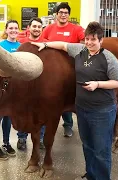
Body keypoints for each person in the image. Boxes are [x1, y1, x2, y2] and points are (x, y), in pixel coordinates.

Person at [32, 21, 118, 180]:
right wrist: (45, 44)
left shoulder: (108, 58)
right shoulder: (80, 50)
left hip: (102, 111)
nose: (89, 42)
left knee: (101, 150)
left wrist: (98, 84)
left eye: (93, 40)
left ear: (101, 41)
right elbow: (63, 45)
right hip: (82, 109)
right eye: (87, 39)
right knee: (87, 146)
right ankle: (90, 175)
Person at [41, 2, 85, 137]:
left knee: (66, 96)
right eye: (61, 12)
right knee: (50, 97)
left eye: (66, 13)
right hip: (52, 70)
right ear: (56, 14)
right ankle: (47, 125)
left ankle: (68, 125)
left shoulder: (76, 29)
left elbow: (85, 43)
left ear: (69, 15)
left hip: (71, 70)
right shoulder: (49, 28)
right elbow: (43, 44)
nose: (63, 15)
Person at [0, 20, 19, 160]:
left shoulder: (21, 46)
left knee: (8, 116)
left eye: (16, 28)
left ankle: (6, 143)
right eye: (11, 28)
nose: (13, 30)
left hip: (13, 90)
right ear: (6, 30)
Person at [17, 17, 47, 151]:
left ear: (42, 29)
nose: (36, 29)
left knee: (42, 113)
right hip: (24, 85)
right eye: (34, 26)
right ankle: (22, 138)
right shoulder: (21, 44)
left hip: (42, 86)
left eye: (39, 27)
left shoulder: (47, 44)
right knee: (23, 113)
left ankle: (40, 139)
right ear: (29, 28)